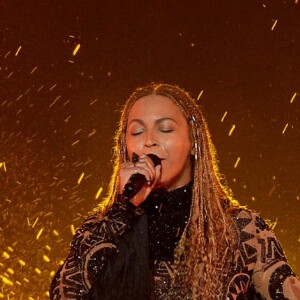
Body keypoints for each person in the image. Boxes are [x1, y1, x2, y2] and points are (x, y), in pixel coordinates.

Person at [50, 83, 300, 299]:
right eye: (137, 131)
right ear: (125, 147)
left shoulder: (241, 231)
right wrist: (124, 211)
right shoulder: (101, 229)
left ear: (194, 142)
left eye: (166, 128)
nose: (149, 140)